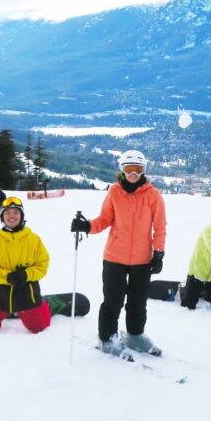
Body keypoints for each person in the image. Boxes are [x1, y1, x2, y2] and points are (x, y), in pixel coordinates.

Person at [72, 149, 167, 358]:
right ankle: (107, 338)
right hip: (115, 257)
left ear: (143, 170)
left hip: (142, 259)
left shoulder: (153, 195)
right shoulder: (114, 192)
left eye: (137, 169)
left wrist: (158, 253)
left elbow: (159, 227)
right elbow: (104, 220)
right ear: (122, 170)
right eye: (129, 169)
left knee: (138, 301)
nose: (133, 173)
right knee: (113, 300)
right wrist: (86, 226)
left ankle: (135, 336)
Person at [0, 192, 52, 336]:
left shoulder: (34, 240)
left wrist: (26, 275)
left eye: (16, 212)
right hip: (1, 291)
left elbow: (42, 265)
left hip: (26, 289)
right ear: (2, 217)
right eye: (7, 213)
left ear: (22, 216)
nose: (12, 216)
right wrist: (7, 277)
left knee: (39, 327)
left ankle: (42, 303)